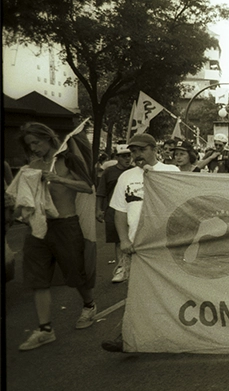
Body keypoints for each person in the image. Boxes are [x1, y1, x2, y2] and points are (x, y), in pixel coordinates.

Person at [14, 122, 98, 351]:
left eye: (36, 142)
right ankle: (45, 329)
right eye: (30, 144)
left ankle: (89, 305)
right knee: (37, 278)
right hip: (38, 226)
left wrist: (59, 179)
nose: (34, 148)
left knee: (74, 273)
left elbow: (87, 187)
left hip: (66, 224)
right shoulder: (31, 166)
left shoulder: (68, 160)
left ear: (49, 138)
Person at [101, 132, 179, 352]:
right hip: (138, 246)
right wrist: (124, 240)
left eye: (142, 150)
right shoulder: (126, 177)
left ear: (155, 150)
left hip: (165, 244)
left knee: (169, 291)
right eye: (133, 151)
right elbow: (119, 212)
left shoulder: (171, 172)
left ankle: (174, 333)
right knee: (136, 293)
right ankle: (127, 336)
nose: (137, 155)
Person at [95, 144, 133, 284]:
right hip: (113, 210)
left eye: (129, 155)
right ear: (117, 157)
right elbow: (101, 191)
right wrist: (98, 209)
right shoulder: (109, 172)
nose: (127, 158)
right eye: (123, 156)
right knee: (118, 240)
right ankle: (121, 267)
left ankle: (133, 267)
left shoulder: (135, 171)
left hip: (131, 209)